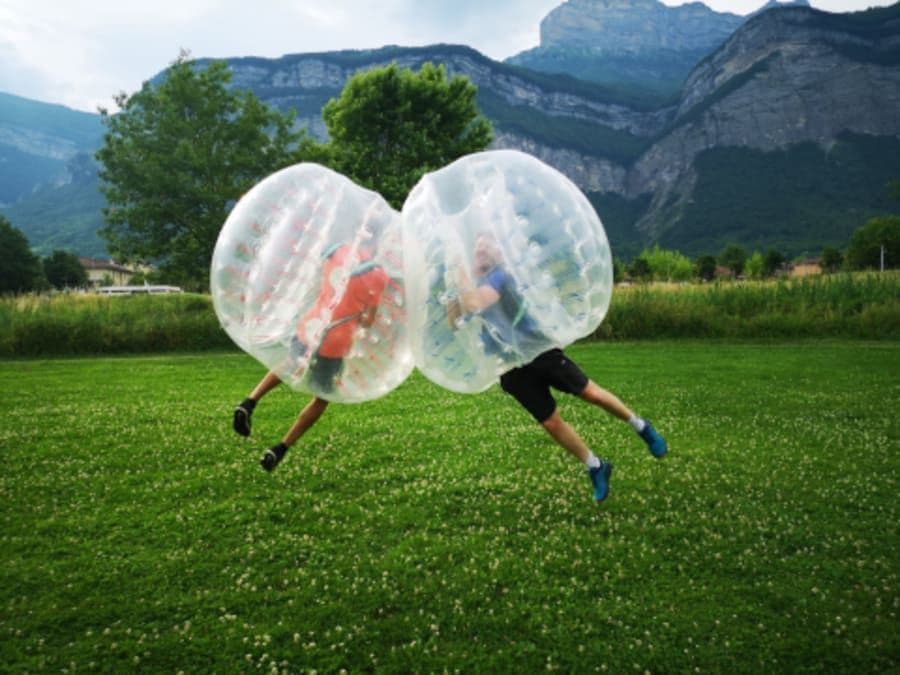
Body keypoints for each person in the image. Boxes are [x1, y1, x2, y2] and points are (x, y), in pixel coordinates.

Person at [447, 233, 667, 504]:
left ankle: (641, 426)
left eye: (486, 246)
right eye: (476, 247)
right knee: (550, 422)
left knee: (590, 393)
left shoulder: (500, 276)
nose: (480, 250)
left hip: (538, 351)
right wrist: (452, 290)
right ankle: (596, 466)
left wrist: (457, 268)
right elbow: (454, 322)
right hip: (510, 367)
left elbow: (475, 303)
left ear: (496, 253)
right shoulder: (469, 285)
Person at [233, 241, 390, 472]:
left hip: (313, 323)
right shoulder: (379, 275)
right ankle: (280, 448)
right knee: (322, 397)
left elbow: (316, 280)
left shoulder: (339, 251)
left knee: (289, 363)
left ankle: (250, 402)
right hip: (337, 339)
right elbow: (368, 320)